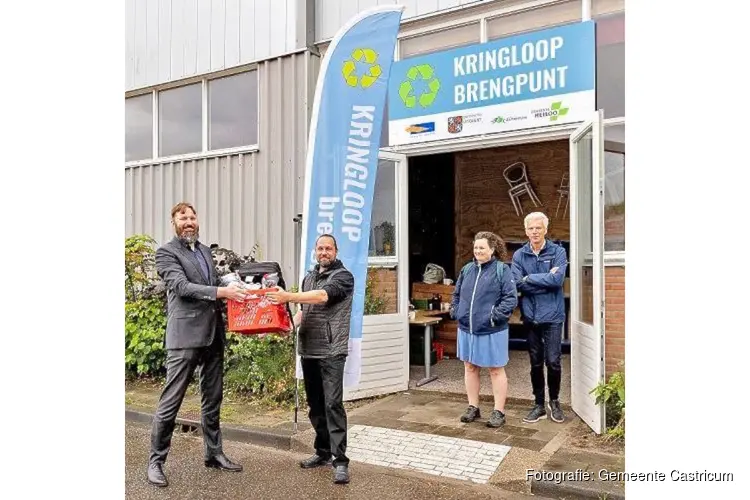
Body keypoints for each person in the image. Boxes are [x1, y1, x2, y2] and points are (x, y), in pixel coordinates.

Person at [147, 202, 249, 487]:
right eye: (183, 218)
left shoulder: (205, 251)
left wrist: (239, 286)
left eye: (192, 217)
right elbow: (180, 286)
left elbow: (216, 280)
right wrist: (221, 291)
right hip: (185, 336)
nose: (189, 222)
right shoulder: (166, 253)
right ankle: (156, 462)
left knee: (212, 398)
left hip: (213, 334)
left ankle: (214, 454)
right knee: (171, 401)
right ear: (174, 222)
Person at [267, 234, 355, 485]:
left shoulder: (343, 277)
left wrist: (288, 296)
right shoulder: (309, 277)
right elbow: (303, 312)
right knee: (315, 406)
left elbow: (321, 297)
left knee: (333, 405)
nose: (324, 252)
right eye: (320, 248)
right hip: (309, 349)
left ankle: (340, 461)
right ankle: (323, 452)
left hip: (331, 351)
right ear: (314, 252)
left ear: (336, 251)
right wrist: (286, 326)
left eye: (328, 248)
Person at [450, 231, 518, 428]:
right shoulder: (467, 269)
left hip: (492, 330)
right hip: (466, 328)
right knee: (470, 367)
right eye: (476, 247)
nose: (478, 250)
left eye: (482, 247)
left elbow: (510, 298)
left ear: (492, 249)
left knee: (496, 370)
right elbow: (456, 294)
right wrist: (456, 311)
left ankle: (499, 411)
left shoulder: (502, 270)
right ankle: (473, 407)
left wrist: (493, 317)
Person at [511, 212, 568, 424]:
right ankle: (539, 404)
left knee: (553, 362)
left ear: (545, 229)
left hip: (553, 316)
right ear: (526, 231)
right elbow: (517, 283)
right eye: (531, 228)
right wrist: (544, 280)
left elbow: (557, 280)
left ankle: (554, 401)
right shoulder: (519, 255)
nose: (535, 231)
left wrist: (530, 278)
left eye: (538, 228)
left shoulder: (558, 252)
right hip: (531, 316)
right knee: (535, 363)